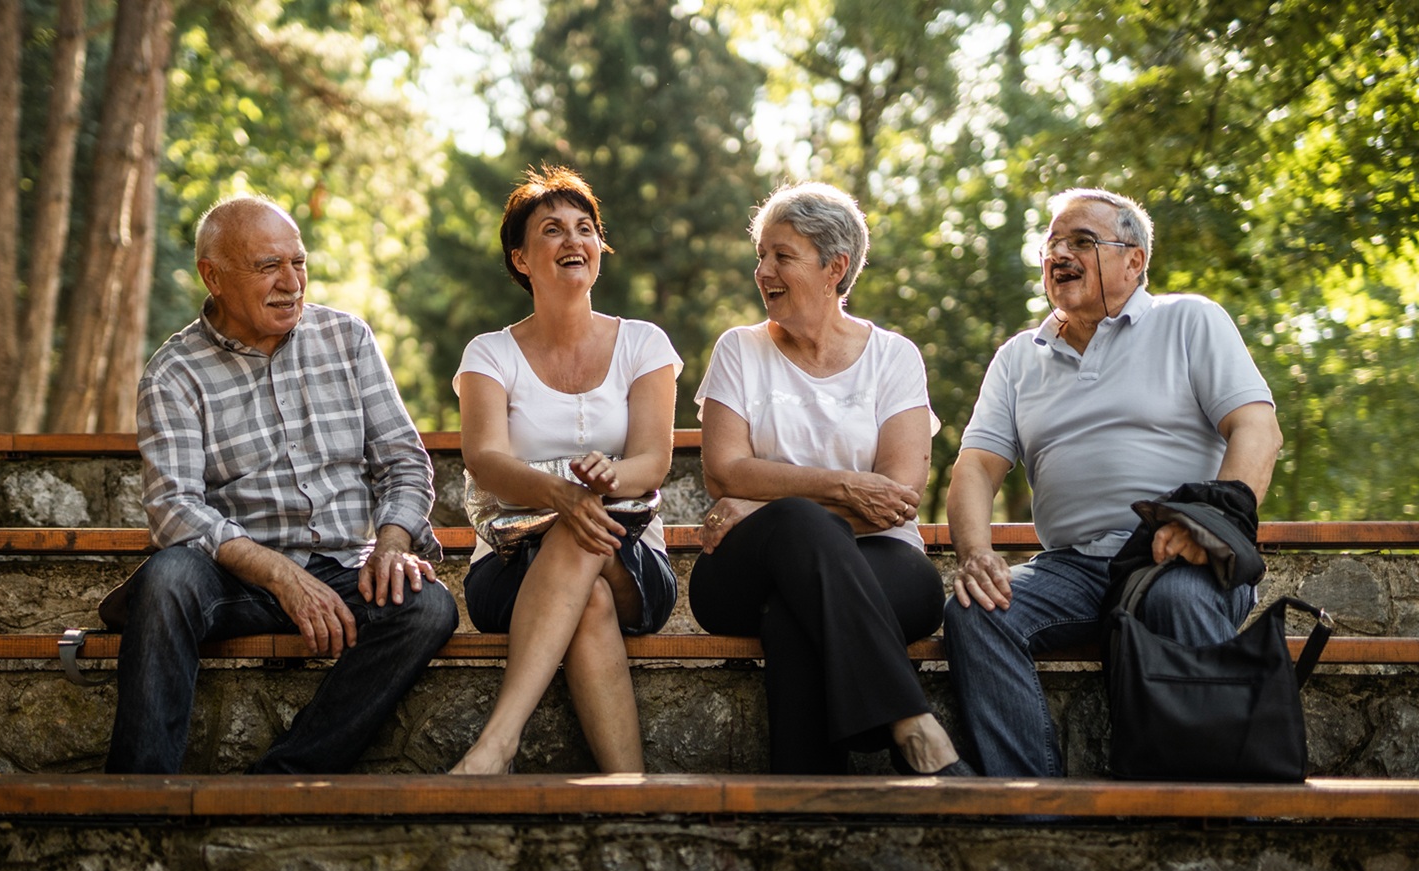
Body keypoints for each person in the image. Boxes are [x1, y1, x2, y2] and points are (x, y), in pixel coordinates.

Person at [106, 196, 459, 774]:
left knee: (427, 608)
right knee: (167, 578)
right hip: (237, 578)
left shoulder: (347, 338)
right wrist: (280, 574)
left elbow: (402, 460)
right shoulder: (174, 373)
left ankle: (283, 779)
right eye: (268, 266)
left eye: (298, 263)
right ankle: (137, 797)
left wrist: (393, 544)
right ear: (213, 277)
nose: (291, 283)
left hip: (344, 569)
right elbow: (174, 508)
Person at [942, 188, 1282, 778]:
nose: (1059, 254)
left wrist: (1210, 526)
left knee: (1176, 598)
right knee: (977, 610)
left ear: (1134, 260)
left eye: (1081, 241)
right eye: (1052, 244)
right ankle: (1033, 807)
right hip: (1071, 568)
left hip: (1176, 556)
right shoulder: (1019, 358)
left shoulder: (1189, 320)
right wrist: (976, 553)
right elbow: (974, 466)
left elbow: (1257, 428)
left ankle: (1216, 809)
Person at [688, 182, 972, 777]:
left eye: (782, 256)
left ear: (834, 268)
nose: (763, 271)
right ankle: (910, 722)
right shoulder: (739, 349)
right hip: (741, 573)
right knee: (795, 523)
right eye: (761, 256)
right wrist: (840, 489)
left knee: (794, 612)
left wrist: (764, 504)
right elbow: (725, 471)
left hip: (886, 562)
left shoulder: (894, 357)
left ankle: (804, 811)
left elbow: (897, 497)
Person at [447, 165, 681, 776]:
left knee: (584, 528)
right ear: (521, 259)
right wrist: (562, 494)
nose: (573, 240)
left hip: (632, 559)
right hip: (507, 567)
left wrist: (607, 481)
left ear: (598, 247)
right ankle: (628, 788)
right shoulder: (489, 354)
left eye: (584, 228)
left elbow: (654, 461)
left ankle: (498, 743)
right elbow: (485, 460)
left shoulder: (644, 344)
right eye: (552, 230)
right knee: (588, 589)